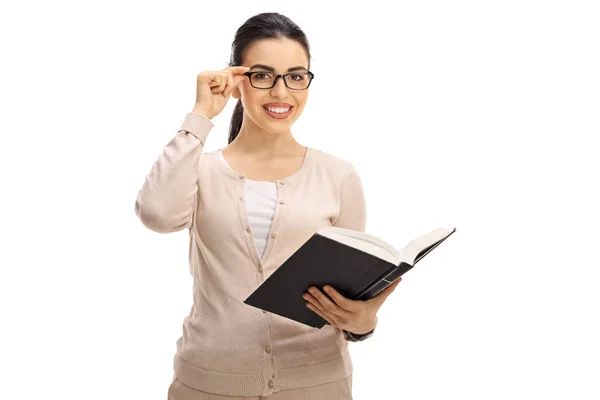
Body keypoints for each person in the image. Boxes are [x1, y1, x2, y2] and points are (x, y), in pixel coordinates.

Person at [134, 12, 401, 400]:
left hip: (317, 385)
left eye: (296, 76)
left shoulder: (339, 176)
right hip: (207, 384)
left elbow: (347, 296)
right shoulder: (199, 170)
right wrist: (201, 116)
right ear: (237, 81)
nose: (281, 93)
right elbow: (156, 214)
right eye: (262, 75)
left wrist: (363, 322)